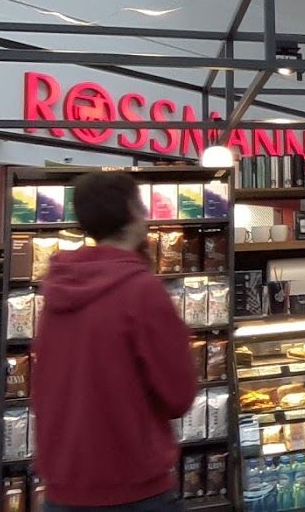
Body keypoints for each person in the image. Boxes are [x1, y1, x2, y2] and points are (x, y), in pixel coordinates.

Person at [33, 172, 197, 511]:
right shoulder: (142, 290)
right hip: (134, 490)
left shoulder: (56, 288)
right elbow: (178, 396)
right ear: (132, 210)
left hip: (62, 489)